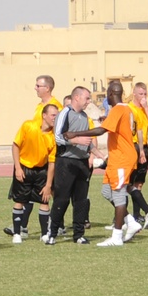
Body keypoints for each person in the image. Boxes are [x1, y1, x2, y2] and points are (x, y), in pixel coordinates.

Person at [66, 81, 142, 246]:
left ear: (111, 94)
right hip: (117, 156)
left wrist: (75, 133)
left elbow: (101, 130)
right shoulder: (126, 109)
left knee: (119, 194)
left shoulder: (119, 109)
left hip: (122, 157)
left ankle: (116, 236)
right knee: (107, 191)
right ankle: (131, 221)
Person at [44, 86, 95, 245]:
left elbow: (88, 141)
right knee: (62, 199)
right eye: (87, 98)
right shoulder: (65, 113)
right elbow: (58, 137)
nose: (89, 101)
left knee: (81, 200)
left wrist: (98, 153)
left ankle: (78, 234)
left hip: (82, 162)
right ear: (77, 97)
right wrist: (76, 140)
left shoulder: (85, 116)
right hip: (66, 162)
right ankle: (52, 233)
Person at [5, 103, 57, 243]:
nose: (55, 118)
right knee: (19, 200)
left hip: (42, 170)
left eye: (56, 115)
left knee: (44, 200)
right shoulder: (28, 126)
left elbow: (52, 163)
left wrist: (48, 184)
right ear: (44, 115)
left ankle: (45, 234)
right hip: (24, 167)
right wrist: (18, 168)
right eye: (53, 115)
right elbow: (16, 146)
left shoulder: (53, 136)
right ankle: (17, 233)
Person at [128, 81, 148, 228]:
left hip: (145, 146)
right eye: (140, 94)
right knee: (129, 182)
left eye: (145, 94)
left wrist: (146, 107)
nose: (143, 96)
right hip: (132, 146)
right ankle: (126, 215)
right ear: (134, 94)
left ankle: (137, 214)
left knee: (139, 182)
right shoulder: (129, 108)